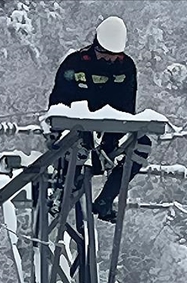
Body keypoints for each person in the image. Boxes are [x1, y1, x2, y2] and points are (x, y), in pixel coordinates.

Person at [46, 16, 152, 223]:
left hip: (109, 131)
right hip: (75, 132)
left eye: (115, 56)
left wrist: (111, 139)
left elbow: (126, 108)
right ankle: (65, 189)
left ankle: (106, 198)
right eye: (105, 54)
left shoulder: (126, 67)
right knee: (77, 145)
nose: (110, 60)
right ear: (96, 46)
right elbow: (58, 104)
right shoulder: (75, 64)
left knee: (141, 145)